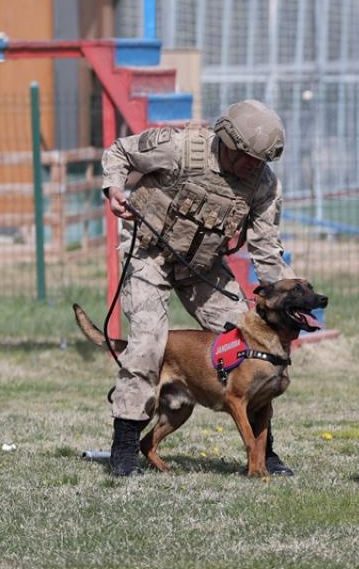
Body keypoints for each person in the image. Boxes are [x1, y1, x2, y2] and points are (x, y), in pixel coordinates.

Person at [101, 99, 298, 477]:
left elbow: (266, 248)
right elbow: (120, 151)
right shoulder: (178, 149)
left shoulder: (263, 184)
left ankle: (265, 453)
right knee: (147, 344)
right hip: (149, 255)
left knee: (251, 345)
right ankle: (124, 449)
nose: (252, 167)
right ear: (226, 140)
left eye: (260, 161)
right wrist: (114, 190)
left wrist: (283, 300)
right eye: (246, 158)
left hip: (202, 268)